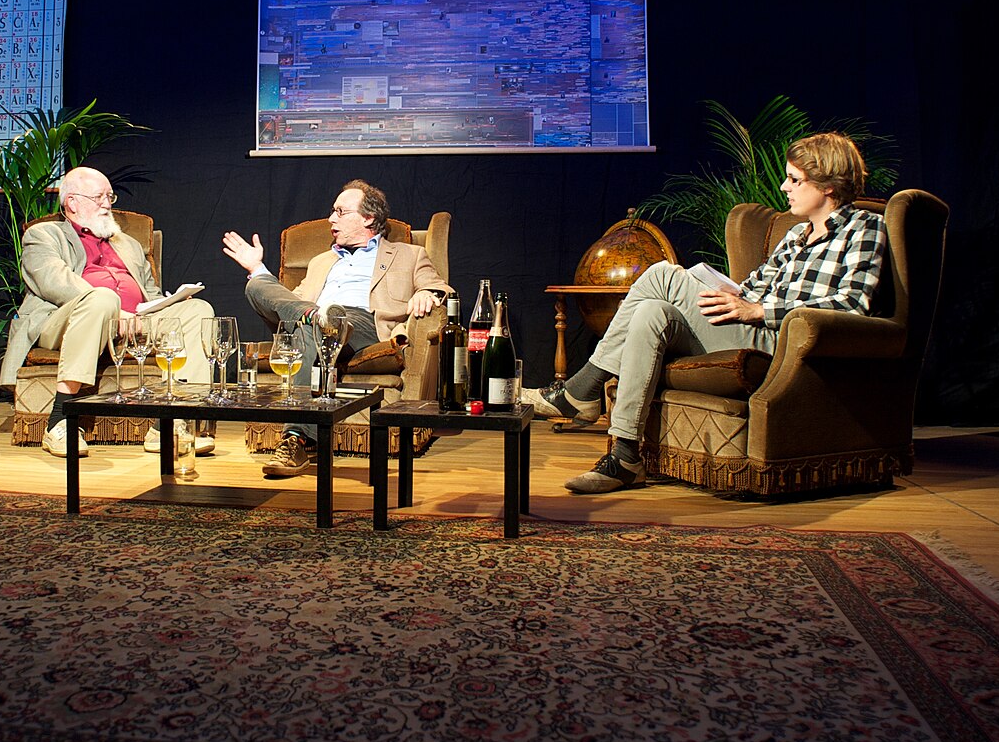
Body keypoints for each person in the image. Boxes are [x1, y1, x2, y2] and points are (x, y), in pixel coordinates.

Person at [528, 131, 889, 495]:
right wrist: (732, 293)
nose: (784, 187)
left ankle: (580, 390)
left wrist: (759, 310)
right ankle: (625, 457)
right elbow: (753, 288)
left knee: (661, 274)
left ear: (828, 186)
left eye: (795, 180)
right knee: (653, 311)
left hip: (784, 341)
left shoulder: (864, 229)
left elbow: (852, 305)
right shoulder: (796, 235)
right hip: (749, 323)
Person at [221, 180, 449, 478]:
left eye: (341, 212)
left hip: (363, 326)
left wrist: (426, 293)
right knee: (260, 287)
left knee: (320, 318)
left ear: (368, 218)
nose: (332, 219)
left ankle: (296, 437)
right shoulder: (320, 262)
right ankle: (315, 319)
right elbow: (291, 302)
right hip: (313, 325)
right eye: (333, 211)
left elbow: (440, 287)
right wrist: (258, 270)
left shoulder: (408, 254)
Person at [0, 166, 220, 458]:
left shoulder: (128, 244)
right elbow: (54, 283)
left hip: (132, 322)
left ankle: (169, 423)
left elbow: (150, 293)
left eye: (109, 196)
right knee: (101, 298)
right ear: (72, 202)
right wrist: (115, 309)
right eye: (98, 196)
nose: (107, 203)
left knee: (196, 310)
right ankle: (60, 422)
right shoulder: (44, 235)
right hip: (64, 320)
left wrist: (163, 305)